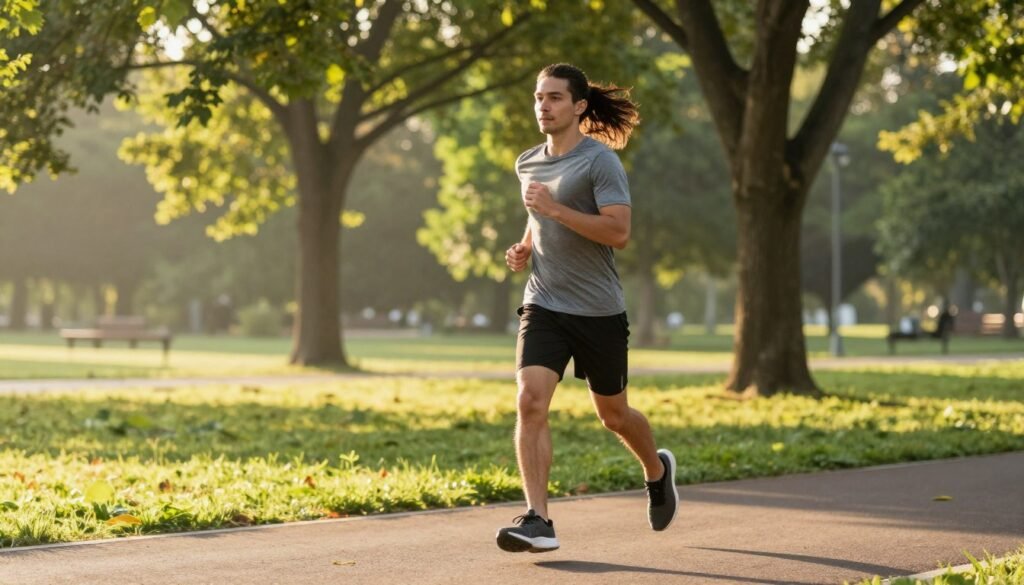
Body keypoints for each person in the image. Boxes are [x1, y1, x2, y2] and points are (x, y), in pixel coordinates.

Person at [495, 63, 678, 554]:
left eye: (554, 97)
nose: (543, 106)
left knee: (614, 416)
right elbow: (536, 215)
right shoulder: (527, 162)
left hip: (597, 310)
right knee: (530, 401)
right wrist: (525, 245)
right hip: (544, 302)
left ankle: (657, 470)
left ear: (579, 106)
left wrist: (555, 210)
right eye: (539, 97)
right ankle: (538, 520)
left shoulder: (600, 162)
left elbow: (618, 232)